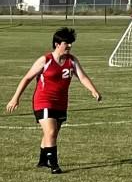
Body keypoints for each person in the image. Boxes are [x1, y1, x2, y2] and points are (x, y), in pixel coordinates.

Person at [8, 27, 103, 173]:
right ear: (57, 44)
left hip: (61, 102)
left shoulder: (72, 61)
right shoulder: (45, 60)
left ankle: (42, 161)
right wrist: (15, 98)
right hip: (43, 101)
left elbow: (82, 77)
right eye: (66, 43)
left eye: (71, 43)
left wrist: (93, 90)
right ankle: (54, 165)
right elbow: (27, 78)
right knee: (51, 131)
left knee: (52, 133)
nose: (69, 46)